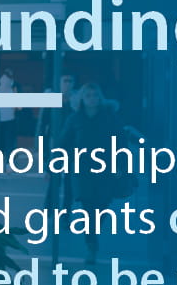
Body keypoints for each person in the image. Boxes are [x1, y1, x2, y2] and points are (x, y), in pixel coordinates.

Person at [56, 82, 134, 265]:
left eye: (95, 95)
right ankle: (91, 244)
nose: (92, 99)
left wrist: (121, 167)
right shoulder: (75, 119)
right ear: (82, 98)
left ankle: (93, 232)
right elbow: (64, 143)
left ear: (100, 98)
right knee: (88, 207)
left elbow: (121, 144)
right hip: (82, 171)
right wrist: (53, 165)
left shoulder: (110, 118)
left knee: (103, 206)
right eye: (88, 95)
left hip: (105, 169)